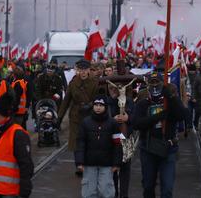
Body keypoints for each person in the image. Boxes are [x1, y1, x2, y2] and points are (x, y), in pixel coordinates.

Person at [132, 70, 187, 198]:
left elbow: (182, 115)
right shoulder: (143, 103)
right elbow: (136, 124)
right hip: (148, 148)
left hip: (168, 148)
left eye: (158, 83)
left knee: (167, 188)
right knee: (148, 185)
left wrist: (172, 99)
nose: (155, 86)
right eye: (152, 83)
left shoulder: (170, 102)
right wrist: (156, 117)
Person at [75, 95, 123, 198]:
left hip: (107, 163)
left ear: (105, 107)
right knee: (89, 190)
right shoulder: (85, 122)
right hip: (89, 163)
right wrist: (79, 161)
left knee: (106, 190)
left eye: (101, 105)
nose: (98, 107)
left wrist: (117, 163)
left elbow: (117, 144)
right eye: (96, 105)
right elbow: (80, 142)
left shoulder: (112, 123)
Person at [58, 59, 99, 175]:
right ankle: (79, 165)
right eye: (80, 70)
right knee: (76, 141)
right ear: (77, 70)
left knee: (89, 140)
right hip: (76, 115)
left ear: (89, 70)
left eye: (85, 70)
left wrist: (90, 105)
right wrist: (59, 117)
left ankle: (87, 163)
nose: (83, 72)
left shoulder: (95, 82)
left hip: (91, 115)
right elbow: (66, 101)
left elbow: (99, 98)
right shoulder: (73, 83)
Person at [106, 81, 134, 198]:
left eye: (115, 88)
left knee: (125, 169)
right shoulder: (107, 102)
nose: (112, 91)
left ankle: (124, 195)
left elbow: (135, 119)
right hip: (111, 140)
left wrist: (128, 118)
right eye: (110, 88)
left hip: (126, 139)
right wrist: (112, 119)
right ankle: (114, 194)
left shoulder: (129, 101)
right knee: (111, 169)